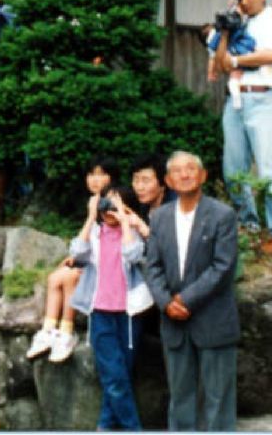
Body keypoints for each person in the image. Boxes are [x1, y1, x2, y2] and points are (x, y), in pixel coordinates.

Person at [144, 150, 239, 431]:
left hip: (213, 317)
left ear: (203, 175)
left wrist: (184, 299)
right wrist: (165, 302)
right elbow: (152, 266)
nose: (184, 174)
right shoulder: (159, 217)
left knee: (218, 397)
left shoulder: (222, 215)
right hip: (173, 321)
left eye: (191, 169)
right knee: (180, 396)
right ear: (168, 181)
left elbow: (223, 267)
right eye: (177, 171)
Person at [210, 0, 272, 255]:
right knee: (233, 168)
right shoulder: (238, 22)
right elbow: (221, 64)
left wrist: (236, 60)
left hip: (263, 99)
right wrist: (223, 32)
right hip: (235, 100)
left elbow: (269, 55)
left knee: (270, 168)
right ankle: (247, 223)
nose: (243, 1)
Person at [70, 188, 153, 431]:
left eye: (115, 205)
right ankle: (132, 428)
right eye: (106, 206)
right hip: (100, 312)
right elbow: (76, 253)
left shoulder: (134, 234)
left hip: (130, 314)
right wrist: (89, 216)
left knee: (120, 376)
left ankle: (105, 426)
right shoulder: (95, 233)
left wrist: (126, 223)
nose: (109, 212)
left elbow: (133, 255)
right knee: (114, 376)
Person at [27, 157, 121, 364]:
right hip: (91, 261)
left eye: (101, 174)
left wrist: (80, 260)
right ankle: (48, 330)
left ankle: (67, 331)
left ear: (112, 177)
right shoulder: (93, 201)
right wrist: (75, 258)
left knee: (69, 278)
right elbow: (86, 243)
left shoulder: (115, 203)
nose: (95, 180)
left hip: (107, 269)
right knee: (54, 278)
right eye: (91, 174)